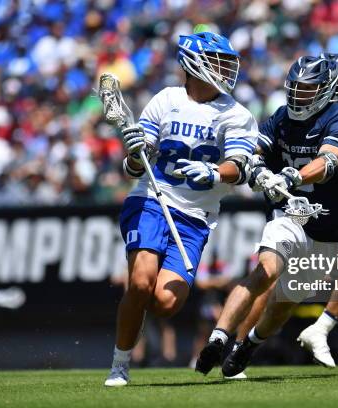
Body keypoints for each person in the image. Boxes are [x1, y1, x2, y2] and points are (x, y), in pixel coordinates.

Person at [195, 53, 338, 377]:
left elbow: (328, 163)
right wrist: (253, 168)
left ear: (325, 89)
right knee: (266, 272)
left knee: (286, 300)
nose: (299, 94)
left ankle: (250, 345)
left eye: (307, 88)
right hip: (293, 215)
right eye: (295, 86)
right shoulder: (281, 117)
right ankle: (219, 337)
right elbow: (255, 151)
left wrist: (294, 177)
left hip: (328, 223)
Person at [104, 31, 258, 387]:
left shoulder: (236, 114)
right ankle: (120, 365)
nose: (226, 69)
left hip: (195, 218)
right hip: (152, 200)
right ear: (194, 63)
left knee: (165, 303)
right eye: (218, 61)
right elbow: (133, 168)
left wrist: (214, 171)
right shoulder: (166, 99)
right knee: (140, 283)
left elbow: (239, 167)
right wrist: (132, 151)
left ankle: (128, 351)